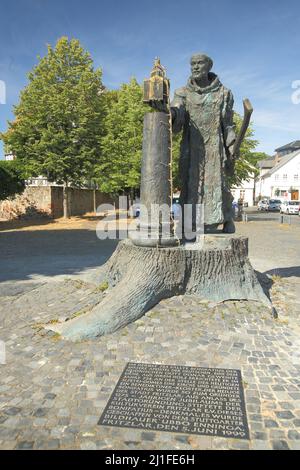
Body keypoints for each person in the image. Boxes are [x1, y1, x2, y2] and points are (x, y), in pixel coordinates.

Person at [170, 53, 237, 235]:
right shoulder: (182, 92)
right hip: (191, 148)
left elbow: (228, 124)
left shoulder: (223, 93)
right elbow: (178, 110)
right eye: (192, 64)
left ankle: (227, 218)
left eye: (200, 63)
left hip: (215, 147)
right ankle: (187, 222)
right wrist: (172, 113)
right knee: (190, 184)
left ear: (209, 66)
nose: (195, 67)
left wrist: (231, 146)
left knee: (219, 184)